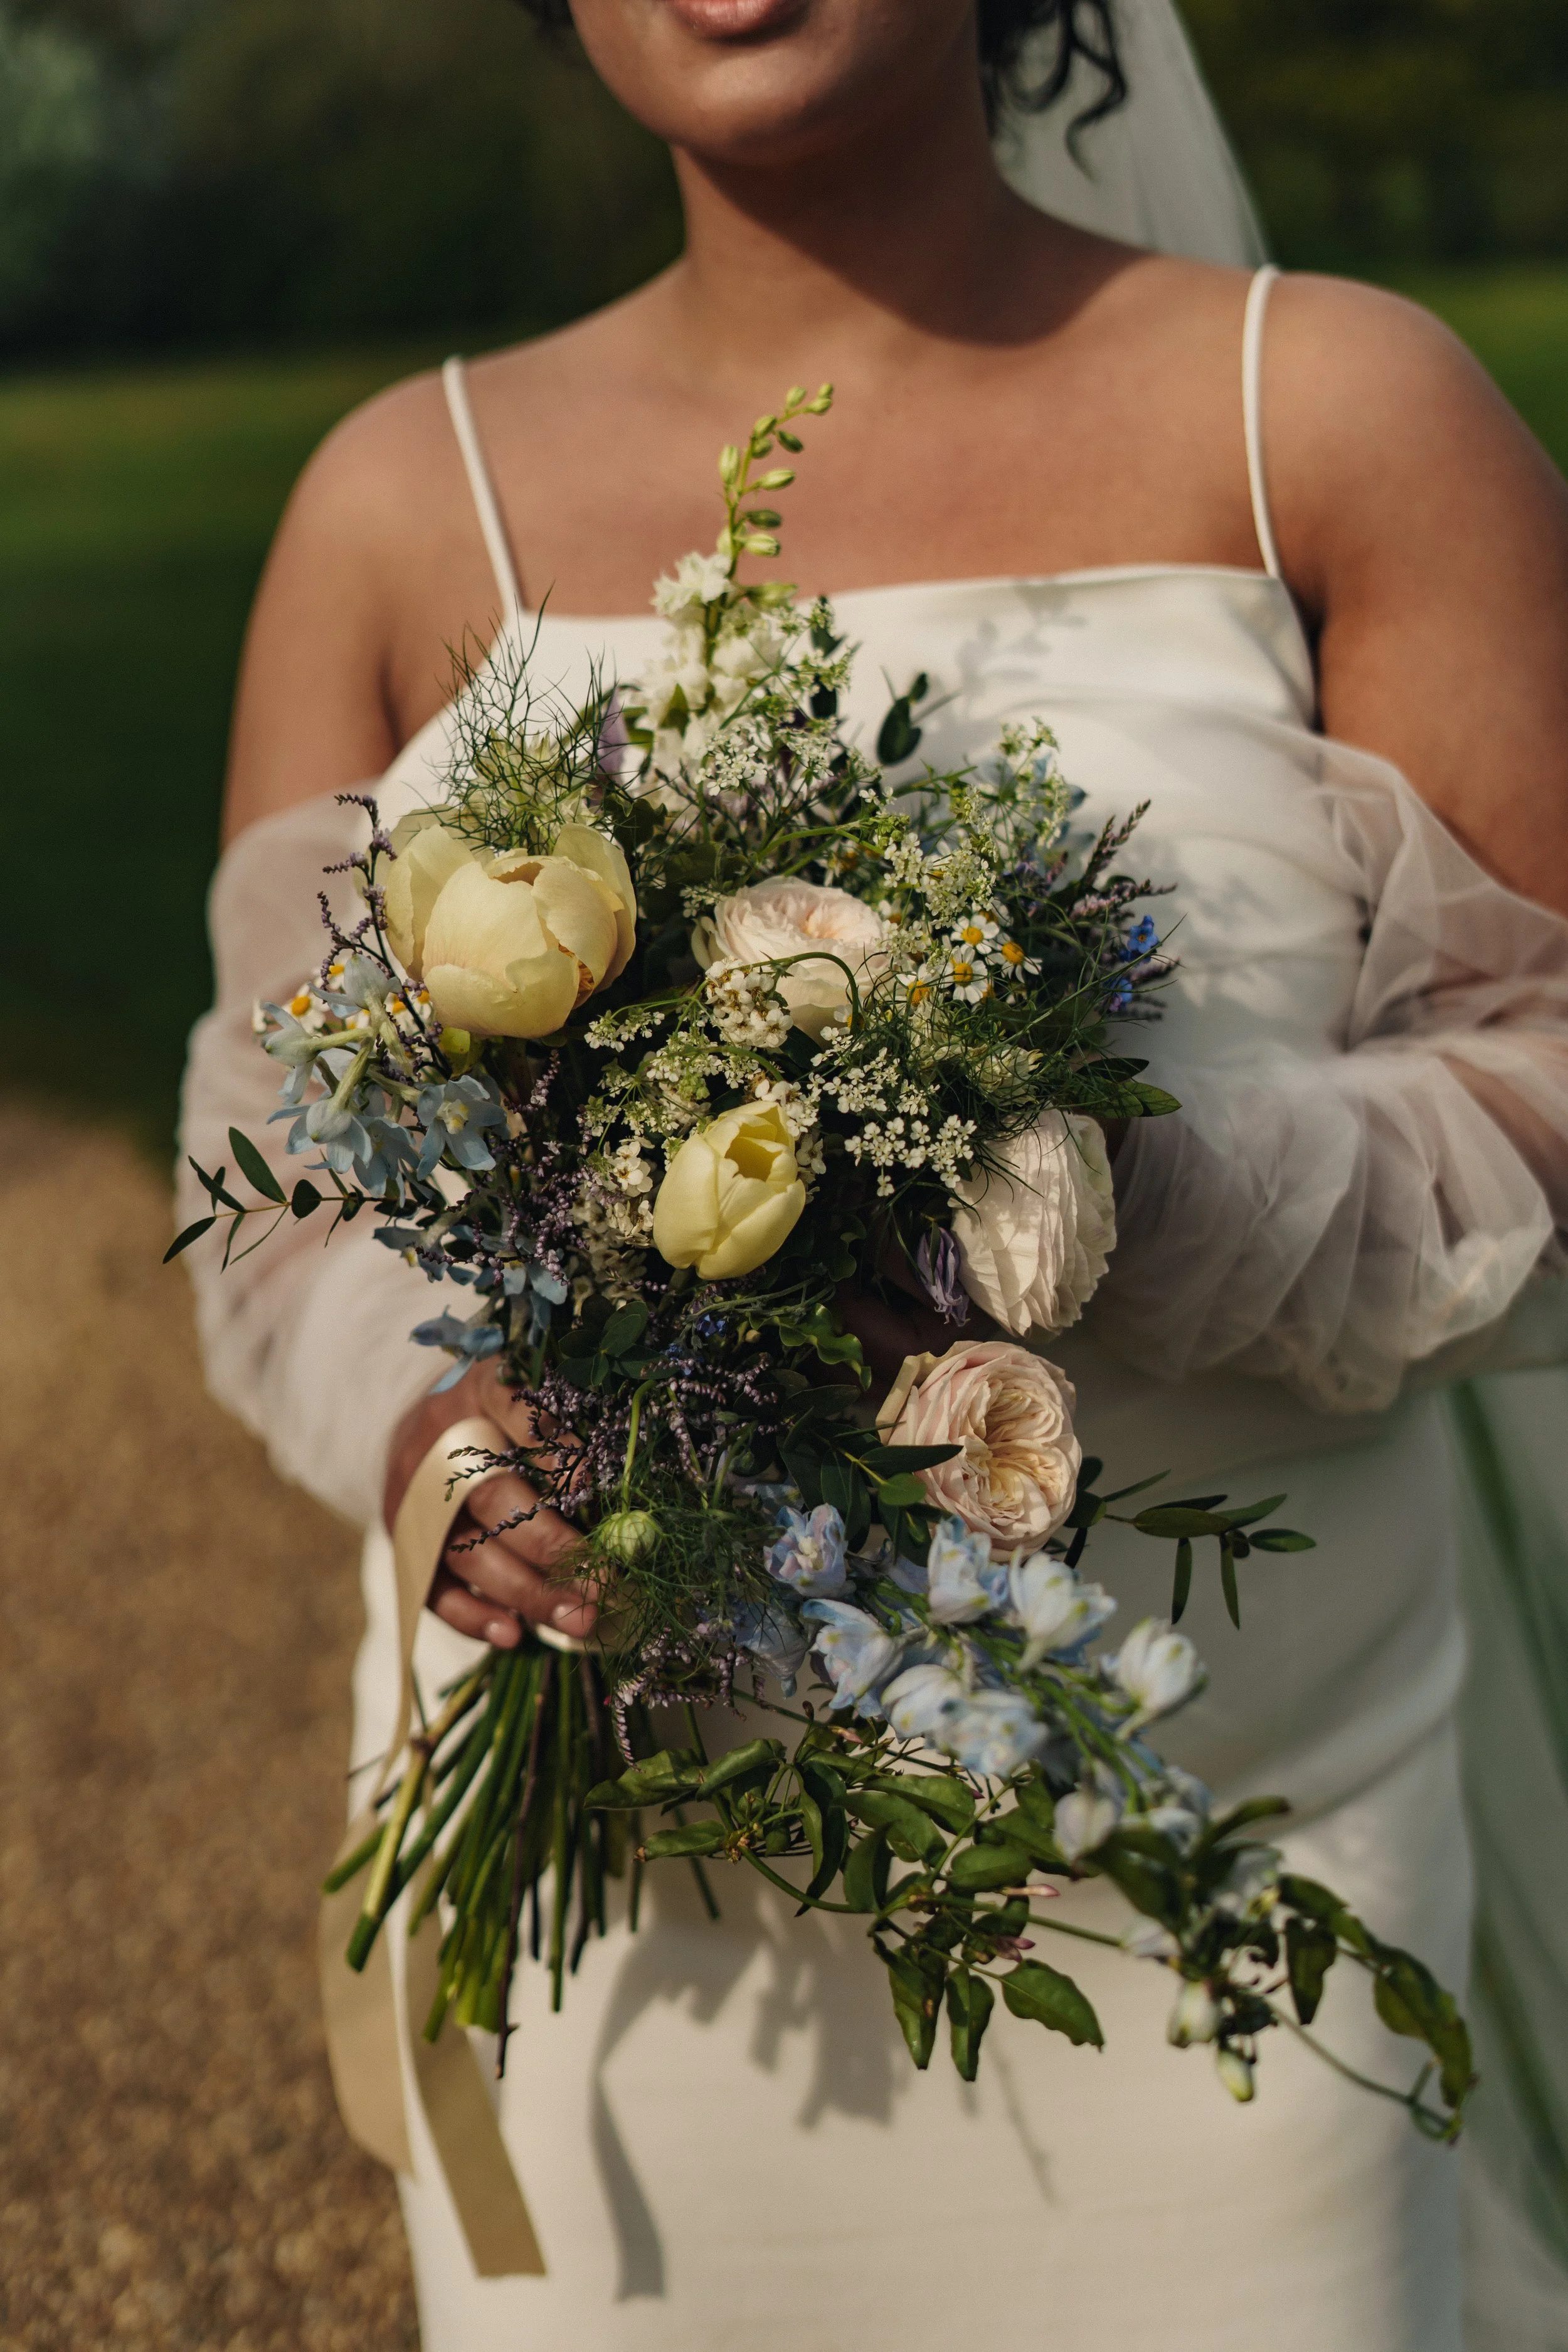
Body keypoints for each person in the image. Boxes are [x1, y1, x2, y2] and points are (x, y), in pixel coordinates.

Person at [181, 2, 1568, 2346]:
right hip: (635, 1923)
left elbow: (1538, 1053)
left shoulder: (1332, 410)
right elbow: (284, 1165)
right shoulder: (403, 500)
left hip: (1228, 1861)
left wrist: (1083, 1189)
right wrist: (436, 1435)